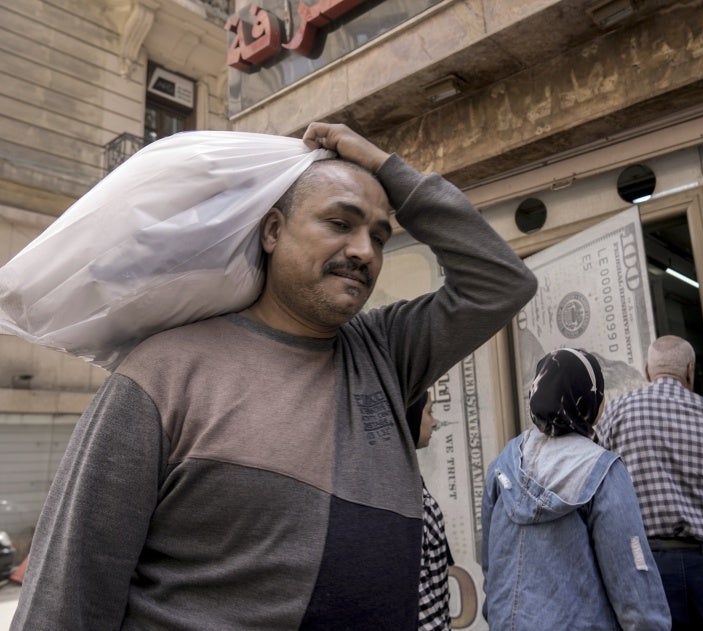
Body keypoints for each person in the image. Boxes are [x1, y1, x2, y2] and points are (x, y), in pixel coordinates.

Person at [12, 122, 537, 630]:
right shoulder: (164, 371)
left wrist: (385, 167)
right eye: (340, 223)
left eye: (379, 236)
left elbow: (500, 283)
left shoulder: (384, 354)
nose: (364, 252)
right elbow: (71, 586)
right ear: (272, 230)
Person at [481, 347, 671, 631]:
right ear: (589, 401)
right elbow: (633, 581)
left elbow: (491, 567)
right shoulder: (603, 471)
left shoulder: (503, 466)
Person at [596, 335, 703, 631]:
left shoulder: (615, 416)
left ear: (647, 371)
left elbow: (599, 497)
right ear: (691, 371)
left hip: (648, 566)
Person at [407, 390, 453, 630]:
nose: (434, 422)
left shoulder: (407, 478)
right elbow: (417, 591)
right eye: (428, 412)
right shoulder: (405, 494)